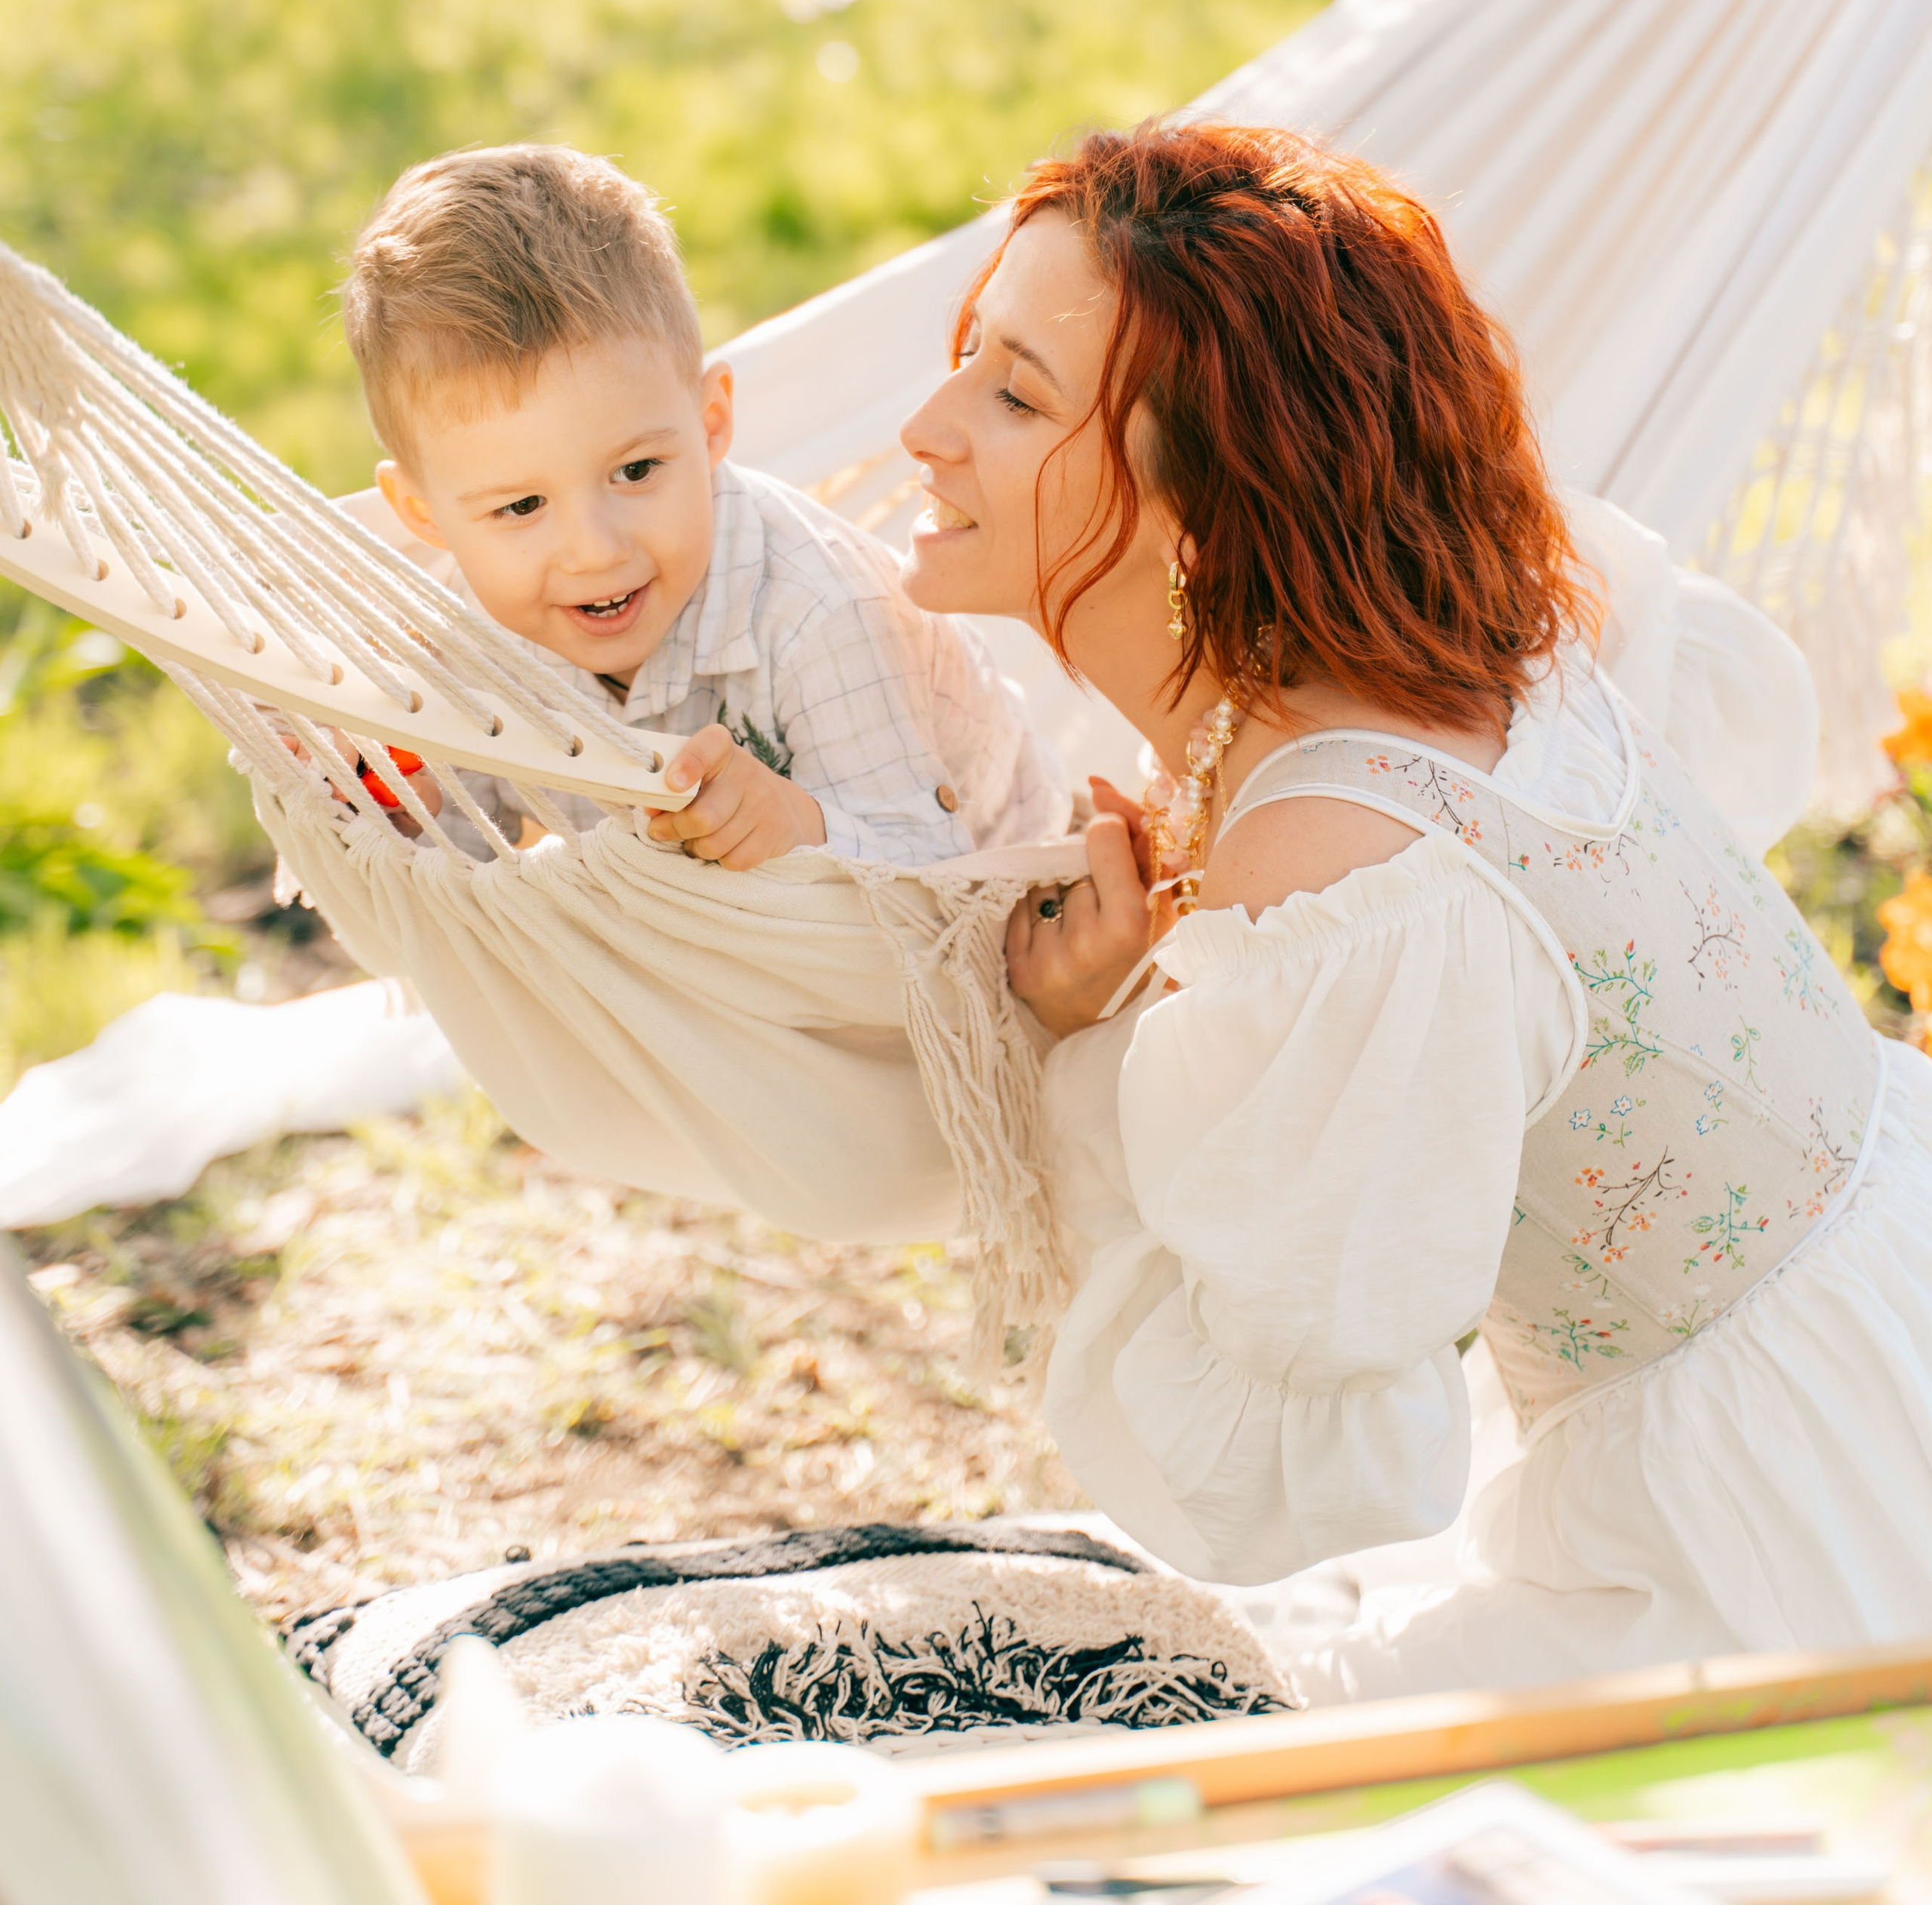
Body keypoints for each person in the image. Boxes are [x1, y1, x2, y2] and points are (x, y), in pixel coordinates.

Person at [897, 115, 1932, 1697]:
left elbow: (1285, 1439)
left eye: (1013, 395)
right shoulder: (1468, 618)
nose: (922, 426)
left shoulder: (1344, 862)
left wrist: (1064, 1055)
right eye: (969, 355)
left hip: (1795, 1520)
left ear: (1198, 505)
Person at [339, 144, 1065, 869]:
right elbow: (463, 868)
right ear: (422, 511)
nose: (595, 549)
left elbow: (930, 881)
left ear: (711, 421)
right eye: (523, 506)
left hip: (1003, 919)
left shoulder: (819, 612)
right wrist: (394, 801)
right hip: (700, 947)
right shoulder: (462, 637)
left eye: (635, 470)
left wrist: (798, 825)